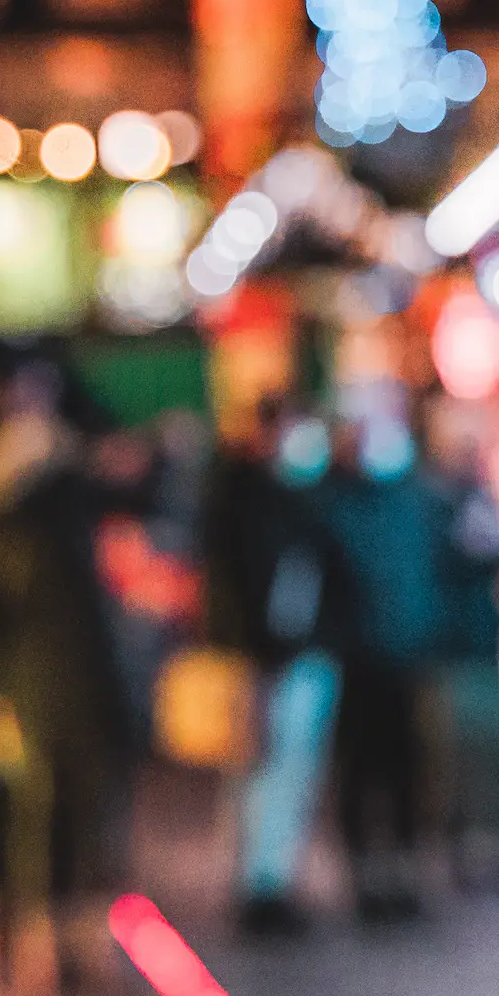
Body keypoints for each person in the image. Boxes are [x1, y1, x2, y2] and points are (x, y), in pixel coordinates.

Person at [0, 343, 137, 996]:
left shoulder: (52, 489)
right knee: (36, 809)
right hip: (30, 679)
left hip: (63, 671)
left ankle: (65, 943)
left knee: (68, 804)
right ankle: (38, 947)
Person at [202, 394, 343, 936]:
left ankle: (274, 880)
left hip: (304, 653)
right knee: (261, 773)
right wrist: (258, 654)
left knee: (291, 773)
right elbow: (242, 590)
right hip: (265, 661)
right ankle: (258, 886)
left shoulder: (302, 497)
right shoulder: (243, 499)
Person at [317, 402, 444, 923]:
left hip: (405, 659)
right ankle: (366, 876)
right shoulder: (333, 505)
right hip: (359, 663)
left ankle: (401, 872)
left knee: (405, 773)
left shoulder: (413, 500)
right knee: (360, 773)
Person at [419, 395, 499, 890]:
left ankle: (498, 848)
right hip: (452, 650)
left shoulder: (485, 496)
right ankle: (455, 853)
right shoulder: (432, 500)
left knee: (498, 753)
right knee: (453, 760)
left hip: (488, 647)